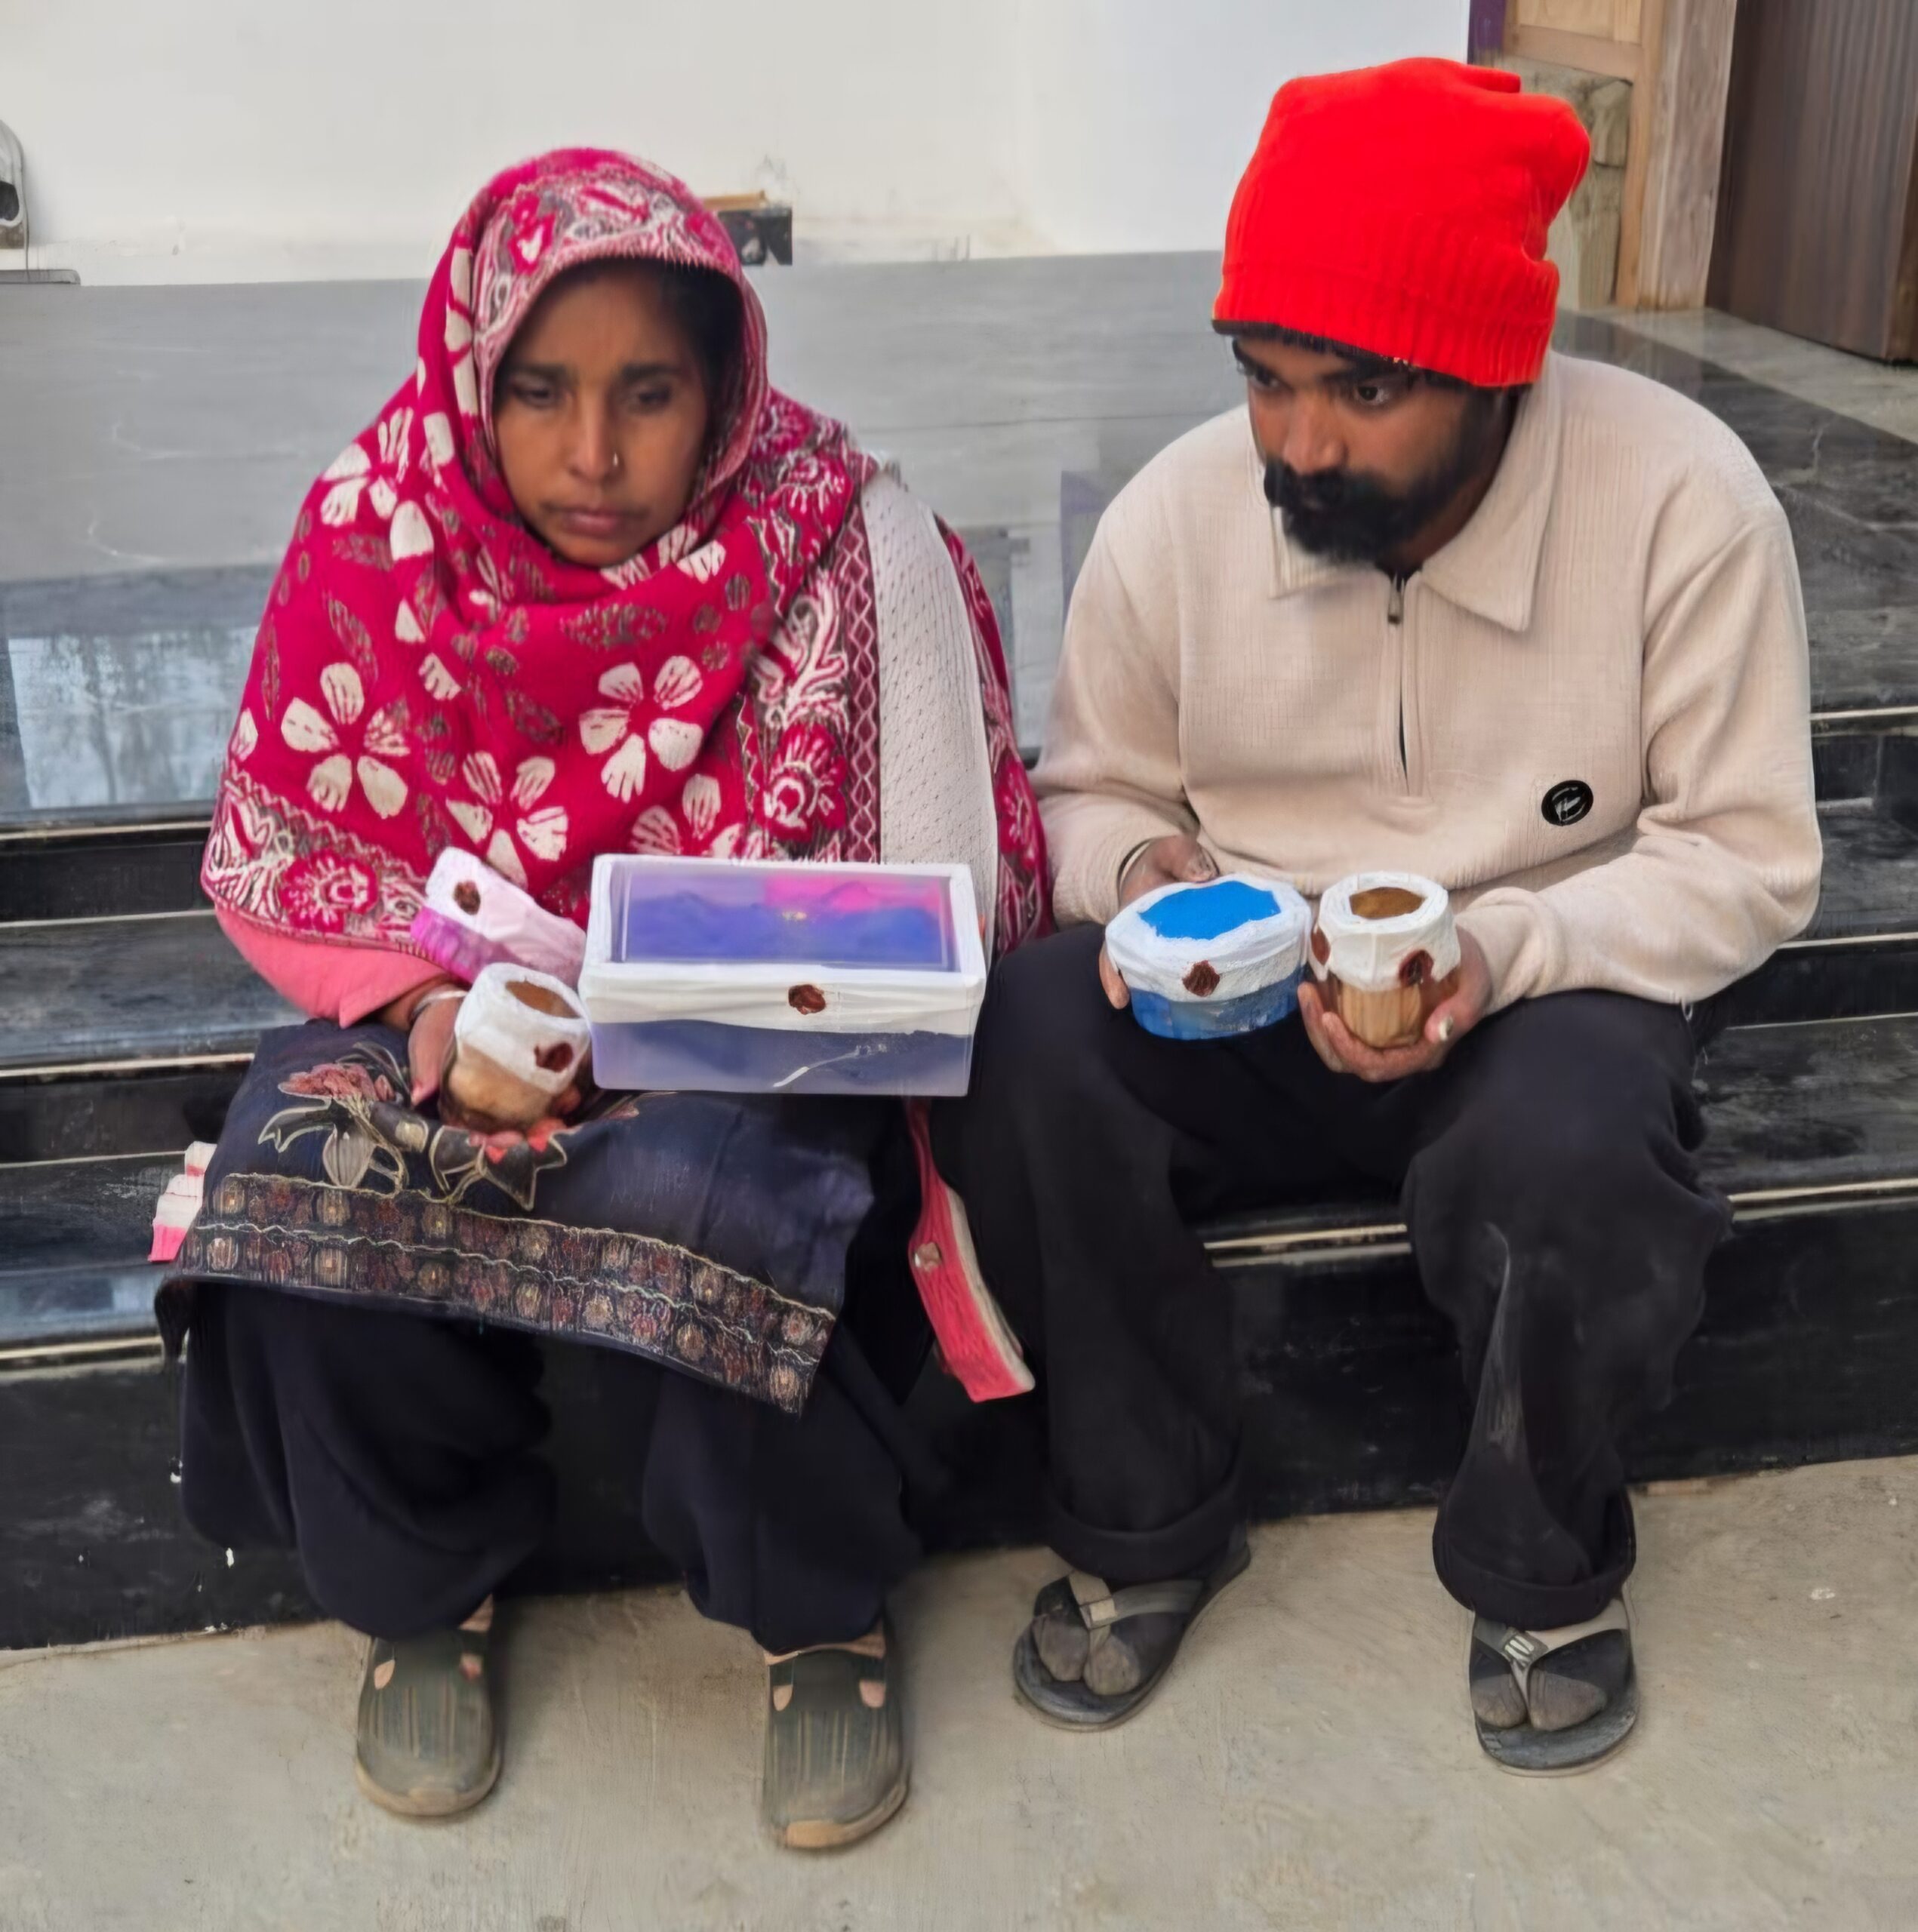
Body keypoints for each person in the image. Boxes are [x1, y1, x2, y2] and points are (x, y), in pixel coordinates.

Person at [932, 59, 1821, 1772]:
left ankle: (1539, 1564)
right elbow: (1090, 794)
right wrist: (1161, 897)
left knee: (1582, 1142)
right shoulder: (1176, 517)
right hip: (1245, 994)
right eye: (1265, 380)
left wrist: (1500, 952)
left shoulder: (1680, 504)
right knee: (1033, 1032)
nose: (1301, 443)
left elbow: (1744, 853)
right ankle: (1143, 1519)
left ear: (1498, 363)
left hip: (1537, 990)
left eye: (1364, 387)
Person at [166, 148, 1045, 1841]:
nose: (591, 454)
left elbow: (952, 894)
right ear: (472, 381)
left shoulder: (831, 536)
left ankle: (816, 1603)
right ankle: (423, 1583)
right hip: (448, 1005)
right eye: (540, 393)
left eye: (648, 393)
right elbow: (289, 844)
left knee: (715, 1196)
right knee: (295, 1177)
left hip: (745, 1034)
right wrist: (432, 1014)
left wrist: (682, 1011)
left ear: (722, 386)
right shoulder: (380, 528)